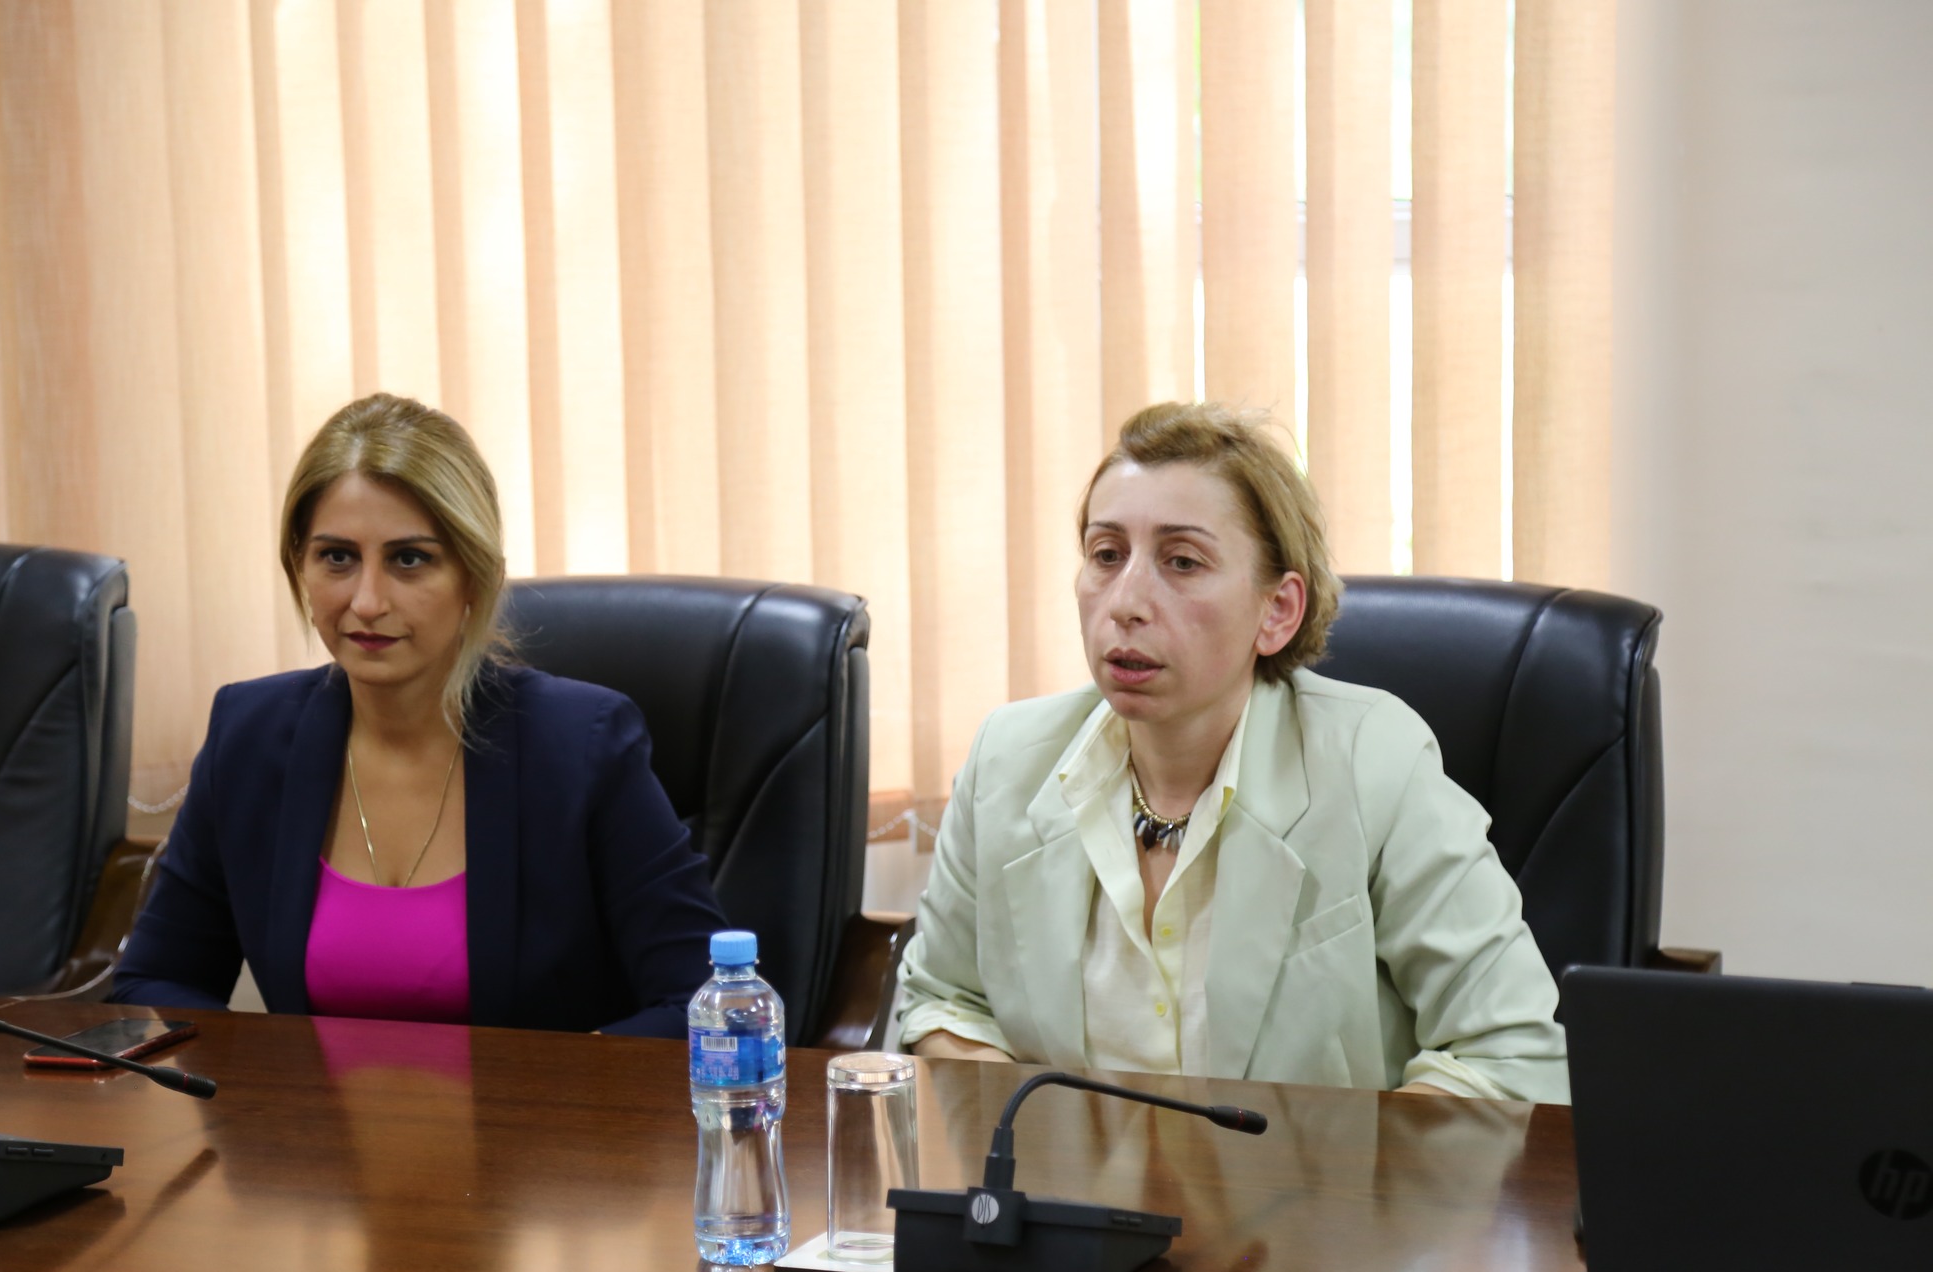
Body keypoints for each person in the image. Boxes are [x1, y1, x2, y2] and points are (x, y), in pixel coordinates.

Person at [895, 401, 1568, 1101]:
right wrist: (1039, 1139)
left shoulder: (1374, 763)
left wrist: (1356, 1168)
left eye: (1182, 562)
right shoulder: (1006, 760)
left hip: (1317, 1175)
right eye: (1106, 554)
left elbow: (1509, 1053)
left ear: (1277, 610)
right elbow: (940, 1000)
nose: (1125, 602)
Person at [111, 394, 728, 1035]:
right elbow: (155, 982)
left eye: (409, 559)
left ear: (475, 577)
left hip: (530, 1106)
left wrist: (556, 1090)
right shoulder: (249, 733)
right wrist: (261, 1082)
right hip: (308, 1107)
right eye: (337, 557)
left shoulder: (581, 745)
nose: (367, 601)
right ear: (300, 565)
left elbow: (708, 1002)